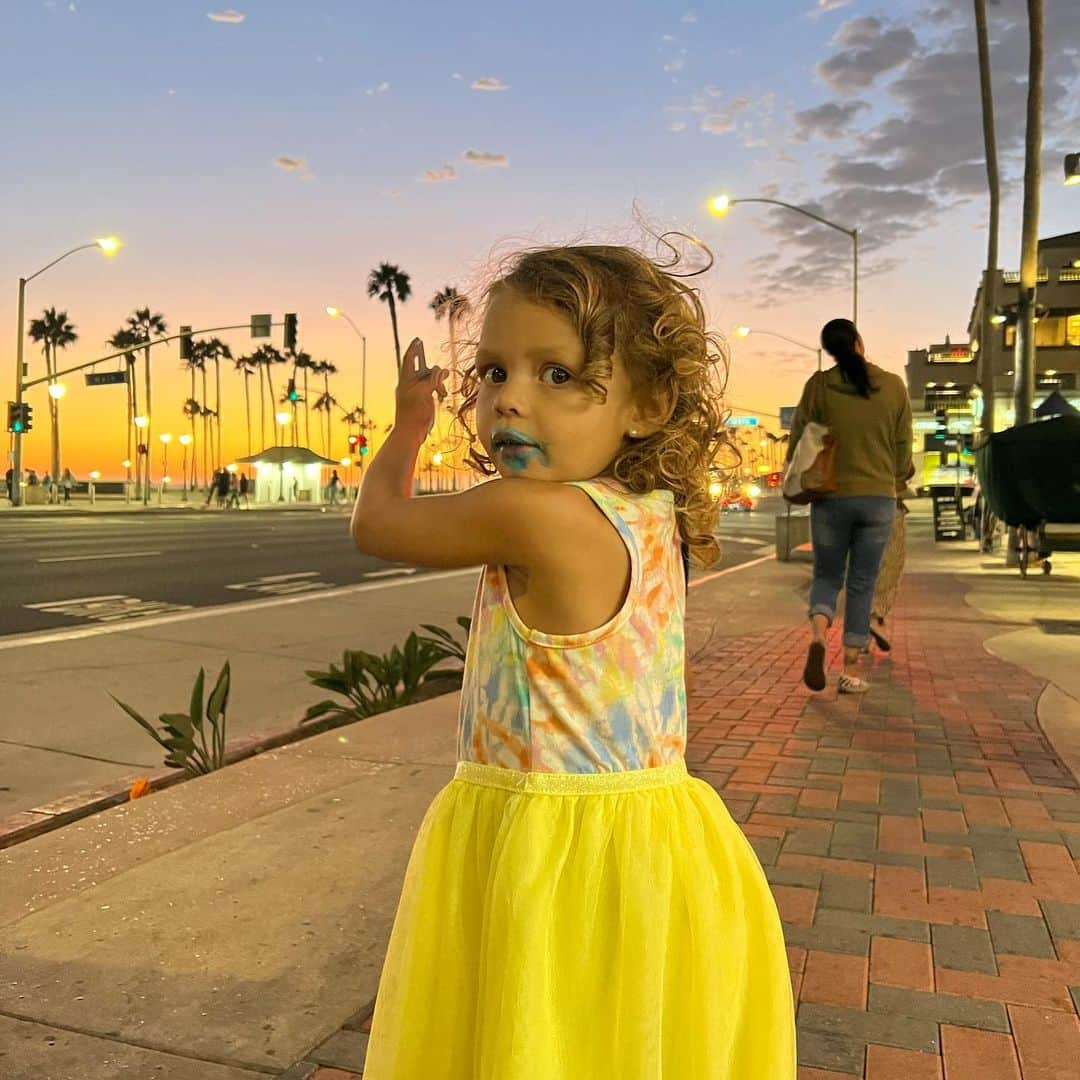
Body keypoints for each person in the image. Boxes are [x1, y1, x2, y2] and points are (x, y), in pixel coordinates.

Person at [356, 242, 796, 1078]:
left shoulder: (531, 514)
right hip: (652, 849)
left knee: (534, 1039)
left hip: (553, 860)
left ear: (649, 402)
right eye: (491, 373)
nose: (509, 400)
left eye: (556, 375)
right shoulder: (647, 517)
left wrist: (410, 426)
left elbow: (376, 524)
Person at [787, 318, 913, 694]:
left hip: (830, 498)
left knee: (827, 576)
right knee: (862, 583)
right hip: (878, 499)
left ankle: (819, 637)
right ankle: (851, 669)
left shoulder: (819, 386)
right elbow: (903, 450)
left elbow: (798, 442)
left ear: (830, 350)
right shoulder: (892, 386)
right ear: (859, 342)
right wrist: (896, 474)